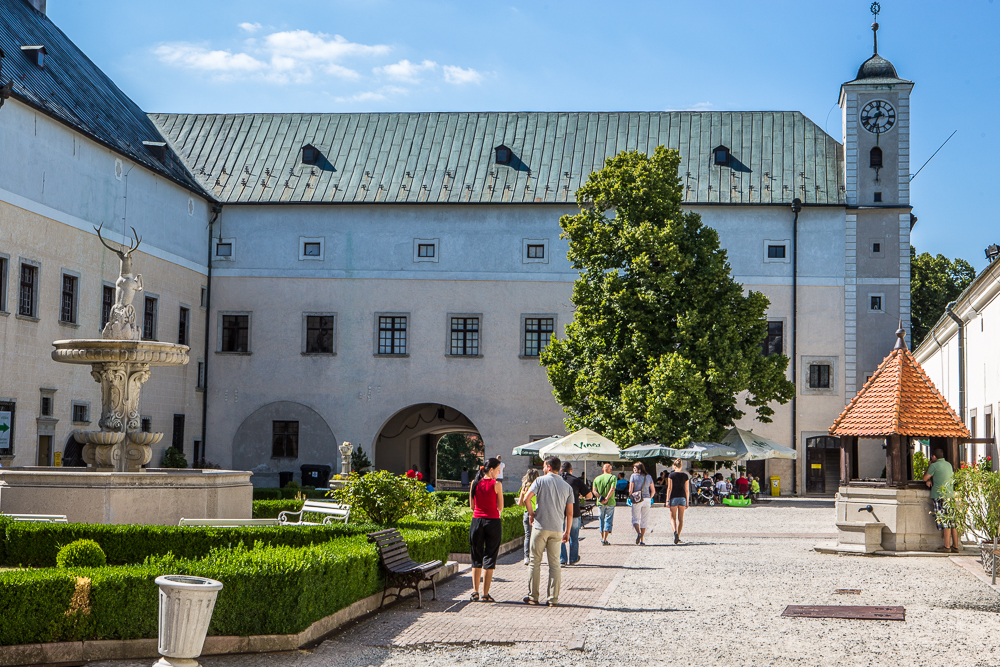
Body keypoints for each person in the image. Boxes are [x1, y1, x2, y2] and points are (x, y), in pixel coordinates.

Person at [522, 456, 574, 606]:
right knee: (555, 565)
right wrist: (567, 531)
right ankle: (552, 599)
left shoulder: (539, 481)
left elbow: (526, 499)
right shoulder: (567, 487)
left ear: (549, 467)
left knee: (534, 562)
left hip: (540, 526)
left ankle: (533, 597)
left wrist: (532, 514)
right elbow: (569, 513)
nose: (543, 468)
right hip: (557, 528)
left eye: (544, 466)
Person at [468, 458, 503, 602]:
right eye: (498, 469)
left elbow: (472, 506)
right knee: (490, 556)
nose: (499, 472)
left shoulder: (474, 483)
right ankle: (485, 594)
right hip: (493, 522)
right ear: (491, 469)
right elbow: (500, 507)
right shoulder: (497, 484)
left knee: (476, 557)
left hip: (476, 522)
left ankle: (475, 592)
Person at [923, 449, 959, 553]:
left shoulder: (934, 465)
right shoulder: (948, 465)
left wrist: (929, 467)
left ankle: (946, 546)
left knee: (944, 520)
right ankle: (955, 546)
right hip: (950, 495)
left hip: (939, 496)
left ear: (934, 457)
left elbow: (925, 478)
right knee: (952, 521)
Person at [559, 461, 592, 565]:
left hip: (559, 512)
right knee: (574, 536)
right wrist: (581, 496)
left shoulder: (557, 480)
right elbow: (589, 495)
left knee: (560, 537)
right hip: (574, 512)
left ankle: (562, 560)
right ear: (571, 470)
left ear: (561, 470)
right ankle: (573, 558)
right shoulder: (576, 481)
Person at [517, 468, 540, 565]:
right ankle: (535, 556)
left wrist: (522, 495)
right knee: (537, 536)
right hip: (537, 513)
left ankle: (526, 557)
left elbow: (520, 503)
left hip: (526, 513)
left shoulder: (524, 488)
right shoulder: (538, 487)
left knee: (527, 535)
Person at [628, 462, 655, 545]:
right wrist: (649, 498)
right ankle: (642, 540)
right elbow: (653, 490)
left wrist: (630, 497)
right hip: (647, 499)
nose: (633, 469)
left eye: (634, 468)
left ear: (637, 469)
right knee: (644, 520)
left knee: (635, 519)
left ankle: (638, 533)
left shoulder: (633, 476)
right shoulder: (649, 476)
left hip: (637, 499)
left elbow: (630, 490)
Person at [592, 462, 617, 545]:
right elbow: (612, 488)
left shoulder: (597, 479)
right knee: (608, 520)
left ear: (603, 469)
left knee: (601, 519)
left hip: (600, 503)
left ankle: (602, 537)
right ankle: (605, 539)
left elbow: (594, 491)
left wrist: (600, 498)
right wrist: (607, 498)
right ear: (610, 470)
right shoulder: (613, 477)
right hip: (610, 502)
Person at [666, 459, 690, 544]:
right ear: (681, 466)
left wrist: (667, 500)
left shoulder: (671, 475)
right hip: (683, 497)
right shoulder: (685, 476)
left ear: (674, 466)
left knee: (673, 518)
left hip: (673, 497)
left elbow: (669, 488)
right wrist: (687, 501)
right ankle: (678, 536)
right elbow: (687, 490)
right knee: (681, 519)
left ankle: (675, 532)